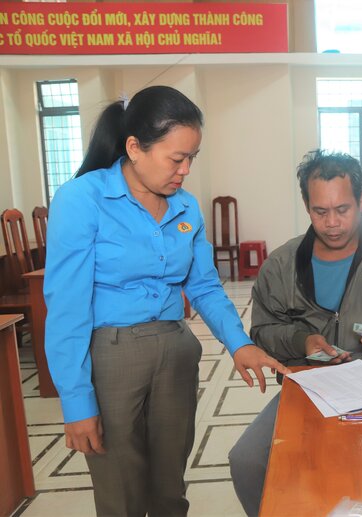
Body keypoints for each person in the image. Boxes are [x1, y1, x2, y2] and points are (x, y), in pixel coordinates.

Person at [44, 85, 288, 516]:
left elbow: (206, 286)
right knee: (122, 494)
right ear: (134, 147)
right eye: (177, 159)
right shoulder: (83, 199)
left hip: (175, 352)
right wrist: (77, 402)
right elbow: (66, 308)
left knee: (170, 488)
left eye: (192, 157)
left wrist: (240, 344)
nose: (185, 170)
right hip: (112, 356)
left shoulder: (186, 208)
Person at [228, 149, 362, 516]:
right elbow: (262, 330)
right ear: (306, 207)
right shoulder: (282, 264)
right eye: (320, 212)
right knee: (247, 460)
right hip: (309, 389)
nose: (332, 223)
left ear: (361, 201)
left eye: (343, 210)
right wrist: (301, 341)